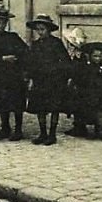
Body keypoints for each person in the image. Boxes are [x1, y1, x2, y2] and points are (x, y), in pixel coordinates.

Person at [0, 8, 28, 140]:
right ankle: (5, 128)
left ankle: (18, 130)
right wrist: (2, 59)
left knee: (17, 103)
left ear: (6, 23)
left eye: (3, 22)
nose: (1, 25)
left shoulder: (13, 37)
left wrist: (16, 59)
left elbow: (24, 52)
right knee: (3, 103)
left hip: (14, 75)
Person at [25, 14, 69, 145]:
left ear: (49, 30)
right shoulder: (35, 45)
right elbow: (30, 62)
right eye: (38, 29)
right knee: (40, 108)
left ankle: (52, 134)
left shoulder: (56, 43)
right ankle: (42, 133)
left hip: (54, 80)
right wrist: (31, 78)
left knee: (54, 107)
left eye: (42, 29)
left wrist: (60, 74)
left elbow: (65, 60)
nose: (40, 32)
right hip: (40, 80)